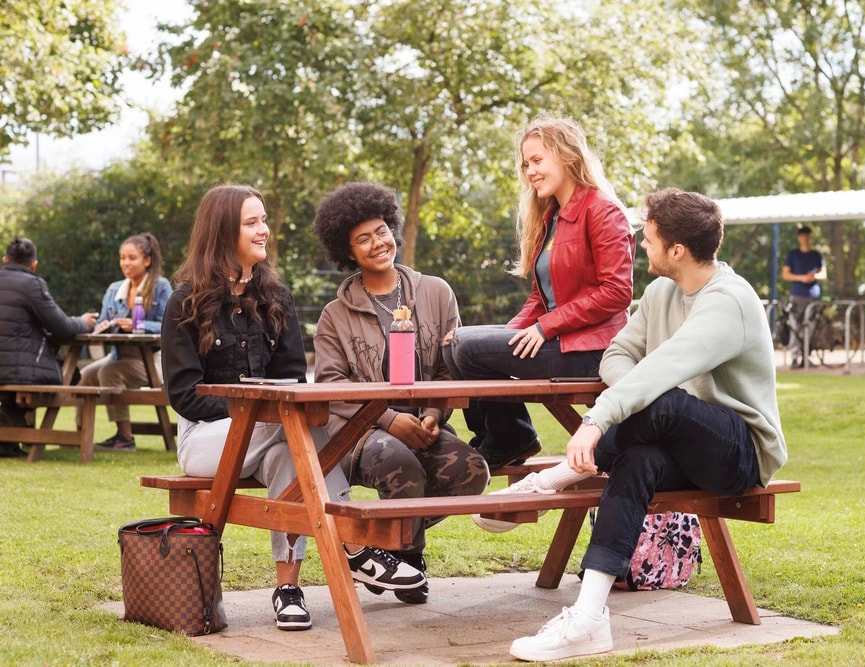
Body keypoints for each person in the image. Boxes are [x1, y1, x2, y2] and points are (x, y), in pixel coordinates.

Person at [502, 188, 788, 662]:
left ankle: (548, 481)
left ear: (677, 250)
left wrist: (596, 421)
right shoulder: (660, 293)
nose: (641, 245)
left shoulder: (729, 301)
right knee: (636, 461)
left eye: (649, 238)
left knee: (665, 401)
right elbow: (619, 354)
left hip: (737, 453)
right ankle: (590, 618)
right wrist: (631, 394)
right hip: (672, 442)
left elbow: (664, 370)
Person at [161, 184, 425, 632]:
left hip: (272, 438)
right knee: (290, 427)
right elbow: (185, 396)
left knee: (291, 451)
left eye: (263, 219)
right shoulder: (185, 301)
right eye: (252, 222)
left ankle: (288, 590)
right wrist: (255, 409)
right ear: (224, 230)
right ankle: (354, 546)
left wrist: (271, 410)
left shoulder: (275, 298)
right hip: (204, 440)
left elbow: (290, 380)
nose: (264, 229)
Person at [311, 181, 490, 605]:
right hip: (358, 433)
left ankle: (392, 552)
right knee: (399, 463)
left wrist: (433, 413)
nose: (377, 244)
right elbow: (331, 386)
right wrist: (389, 419)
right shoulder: (334, 315)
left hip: (423, 423)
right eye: (362, 239)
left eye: (381, 231)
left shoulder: (435, 292)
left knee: (471, 471)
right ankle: (410, 558)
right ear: (347, 251)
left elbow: (451, 366)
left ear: (393, 228)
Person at [442, 116, 635, 471]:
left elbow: (617, 292)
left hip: (593, 349)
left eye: (537, 161)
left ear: (567, 156)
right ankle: (501, 437)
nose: (529, 171)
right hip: (562, 339)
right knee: (454, 342)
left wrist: (546, 328)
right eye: (525, 163)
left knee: (467, 348)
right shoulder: (553, 217)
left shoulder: (603, 211)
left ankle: (510, 438)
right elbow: (539, 296)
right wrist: (510, 332)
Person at [0, 237, 97, 457]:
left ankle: (9, 435)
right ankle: (13, 431)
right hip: (20, 372)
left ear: (5, 260)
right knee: (72, 374)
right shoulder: (32, 284)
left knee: (14, 392)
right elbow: (62, 327)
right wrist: (84, 322)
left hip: (7, 370)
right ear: (34, 265)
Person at [77, 233, 173, 451]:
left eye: (132, 258)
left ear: (147, 260)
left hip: (153, 361)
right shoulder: (114, 289)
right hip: (119, 356)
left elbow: (171, 325)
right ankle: (80, 435)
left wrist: (138, 326)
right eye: (122, 258)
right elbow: (101, 321)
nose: (126, 263)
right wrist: (101, 327)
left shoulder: (161, 287)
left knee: (109, 372)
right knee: (85, 375)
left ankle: (125, 437)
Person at [781, 225, 826, 368]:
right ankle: (794, 358)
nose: (806, 238)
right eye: (803, 235)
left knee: (810, 328)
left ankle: (806, 357)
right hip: (797, 296)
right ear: (799, 237)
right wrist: (802, 278)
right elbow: (786, 274)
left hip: (813, 297)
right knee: (795, 327)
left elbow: (823, 274)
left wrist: (814, 277)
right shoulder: (793, 255)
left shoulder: (816, 255)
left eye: (808, 235)